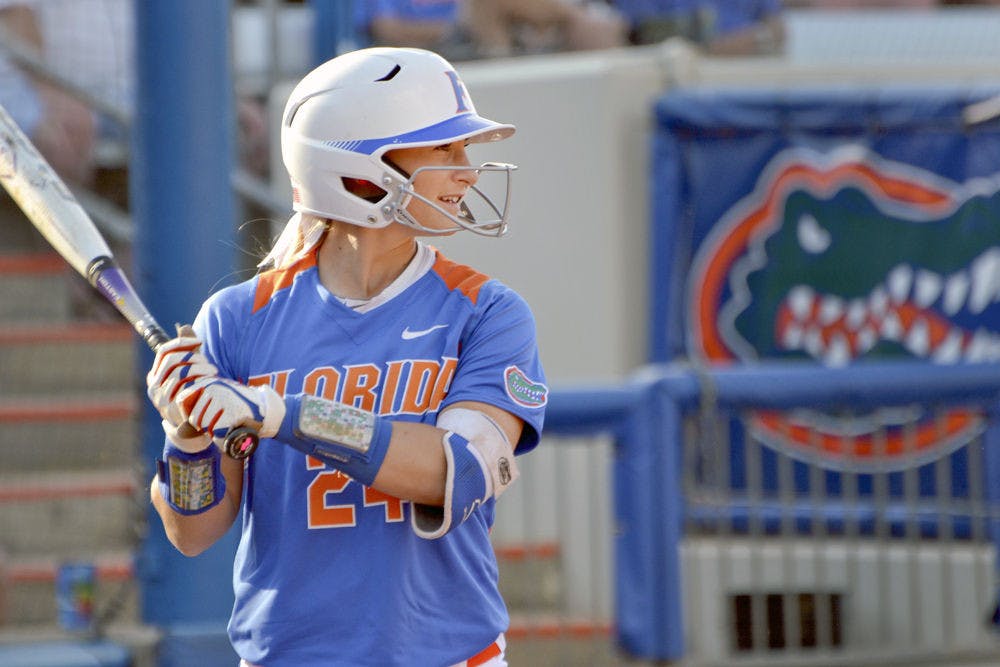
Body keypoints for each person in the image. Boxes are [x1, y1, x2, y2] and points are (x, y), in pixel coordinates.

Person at [145, 47, 548, 666]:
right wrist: (187, 436)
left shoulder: (488, 311)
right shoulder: (235, 317)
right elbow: (193, 532)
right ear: (362, 172)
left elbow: (456, 472)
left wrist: (283, 413)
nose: (467, 169)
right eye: (444, 149)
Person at [356, 0, 627, 60]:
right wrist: (455, 26)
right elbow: (388, 28)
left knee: (595, 26)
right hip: (434, 51)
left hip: (490, 33)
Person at [614, 0, 785, 55]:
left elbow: (777, 27)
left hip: (747, 75)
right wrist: (714, 49)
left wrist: (761, 38)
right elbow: (639, 35)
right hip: (677, 82)